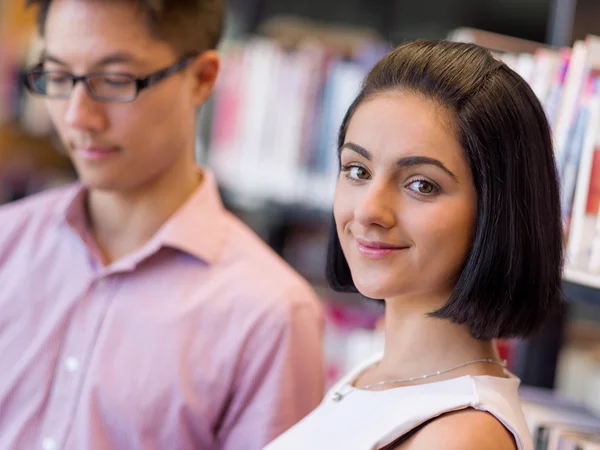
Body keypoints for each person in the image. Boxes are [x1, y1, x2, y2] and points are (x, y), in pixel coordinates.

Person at [0, 1, 325, 449]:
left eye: (114, 80)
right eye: (57, 78)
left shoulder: (270, 314)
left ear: (202, 78)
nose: (77, 117)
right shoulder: (6, 243)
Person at [264, 40, 564, 450]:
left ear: (497, 211)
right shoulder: (375, 373)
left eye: (421, 184)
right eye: (357, 170)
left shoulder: (460, 436)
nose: (369, 210)